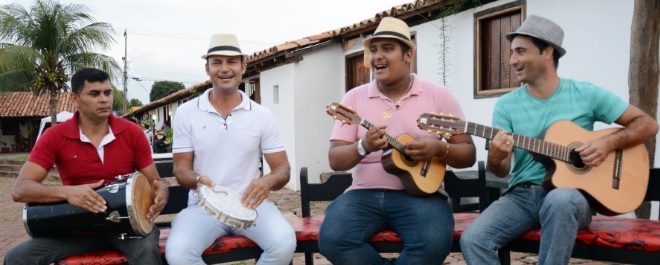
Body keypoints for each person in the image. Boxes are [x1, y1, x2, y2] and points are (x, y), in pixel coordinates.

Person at [460, 15, 659, 264]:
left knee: (560, 199)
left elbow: (647, 124)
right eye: (511, 53)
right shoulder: (506, 105)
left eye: (520, 51)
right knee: (473, 240)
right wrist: (497, 156)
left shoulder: (585, 93)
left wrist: (607, 143)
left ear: (547, 51)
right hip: (521, 197)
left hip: (573, 198)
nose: (512, 61)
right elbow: (499, 171)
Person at [318, 17, 477, 265]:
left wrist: (438, 148)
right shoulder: (353, 98)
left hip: (423, 196)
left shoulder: (439, 95)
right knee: (332, 238)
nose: (377, 56)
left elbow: (468, 153)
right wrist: (363, 146)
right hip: (363, 194)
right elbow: (335, 160)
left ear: (408, 55)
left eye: (388, 48)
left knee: (433, 241)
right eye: (373, 50)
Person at [5, 68, 169, 265]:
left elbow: (155, 182)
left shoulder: (132, 133)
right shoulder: (54, 136)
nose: (104, 99)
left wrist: (162, 192)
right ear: (75, 99)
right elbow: (20, 190)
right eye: (94, 93)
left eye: (107, 93)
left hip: (127, 227)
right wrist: (68, 193)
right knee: (17, 257)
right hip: (75, 228)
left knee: (146, 250)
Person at [165, 33, 296, 265]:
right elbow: (181, 169)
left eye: (232, 62)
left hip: (251, 205)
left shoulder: (261, 115)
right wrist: (197, 180)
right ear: (207, 69)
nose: (225, 69)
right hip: (203, 208)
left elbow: (282, 168)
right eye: (217, 62)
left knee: (284, 243)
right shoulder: (187, 113)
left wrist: (266, 182)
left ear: (243, 67)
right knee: (178, 253)